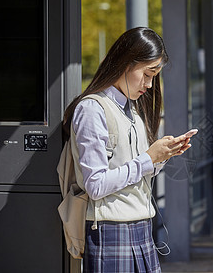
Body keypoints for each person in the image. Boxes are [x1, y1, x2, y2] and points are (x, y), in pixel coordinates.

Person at [62, 27, 194, 272]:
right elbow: (96, 184)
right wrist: (148, 158)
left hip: (140, 225)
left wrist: (163, 155)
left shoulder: (132, 108)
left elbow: (138, 168)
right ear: (125, 64)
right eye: (147, 74)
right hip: (110, 228)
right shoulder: (92, 109)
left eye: (154, 76)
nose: (150, 84)